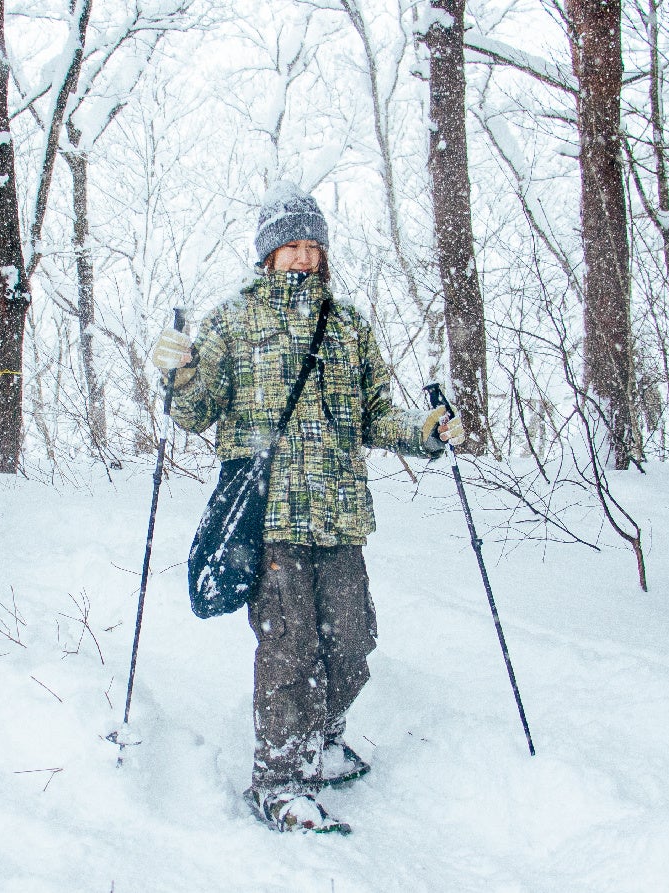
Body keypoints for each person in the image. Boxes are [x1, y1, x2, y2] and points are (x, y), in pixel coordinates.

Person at [151, 184, 465, 834]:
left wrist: (427, 430)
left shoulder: (348, 327)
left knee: (353, 641)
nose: (301, 256)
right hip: (270, 520)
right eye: (289, 246)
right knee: (290, 648)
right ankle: (279, 780)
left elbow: (378, 412)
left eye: (311, 246)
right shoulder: (234, 321)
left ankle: (321, 740)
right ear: (267, 254)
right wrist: (178, 375)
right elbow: (196, 410)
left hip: (340, 517)